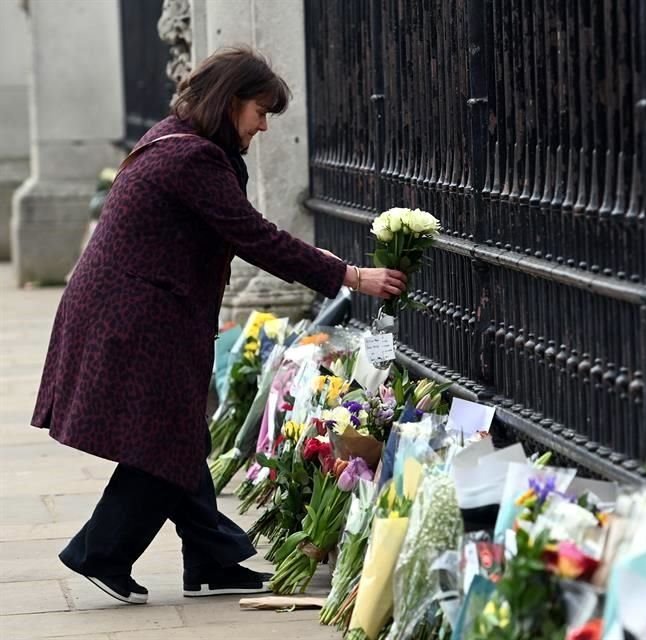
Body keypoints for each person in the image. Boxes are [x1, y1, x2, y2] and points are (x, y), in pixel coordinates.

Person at [30, 47, 407, 605]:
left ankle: (212, 560)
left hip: (137, 308)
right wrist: (350, 275)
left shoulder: (178, 138)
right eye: (260, 111)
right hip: (138, 317)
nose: (263, 126)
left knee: (178, 435)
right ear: (230, 102)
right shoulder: (194, 157)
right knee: (166, 440)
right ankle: (101, 552)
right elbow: (255, 237)